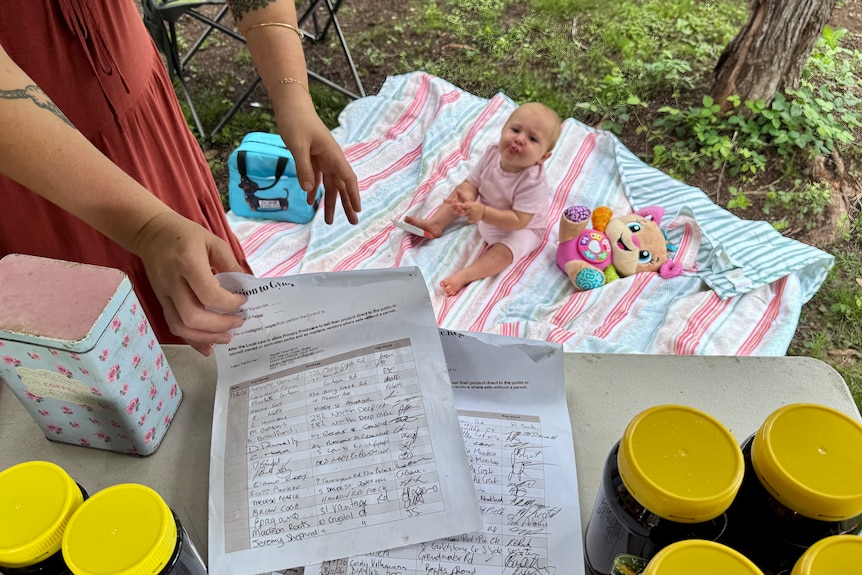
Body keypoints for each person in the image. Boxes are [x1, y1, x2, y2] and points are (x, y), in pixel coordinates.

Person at [0, 0, 360, 356]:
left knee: (221, 327)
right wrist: (148, 228)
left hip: (148, 129)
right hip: (33, 170)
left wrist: (291, 93)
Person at [404, 102, 561, 296]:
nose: (520, 139)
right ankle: (436, 223)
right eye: (515, 130)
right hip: (485, 212)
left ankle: (466, 275)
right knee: (460, 191)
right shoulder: (493, 153)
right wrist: (467, 198)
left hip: (523, 228)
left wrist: (483, 213)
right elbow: (473, 183)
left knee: (505, 253)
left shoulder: (532, 181)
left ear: (542, 157)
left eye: (532, 138)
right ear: (503, 130)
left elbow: (520, 220)